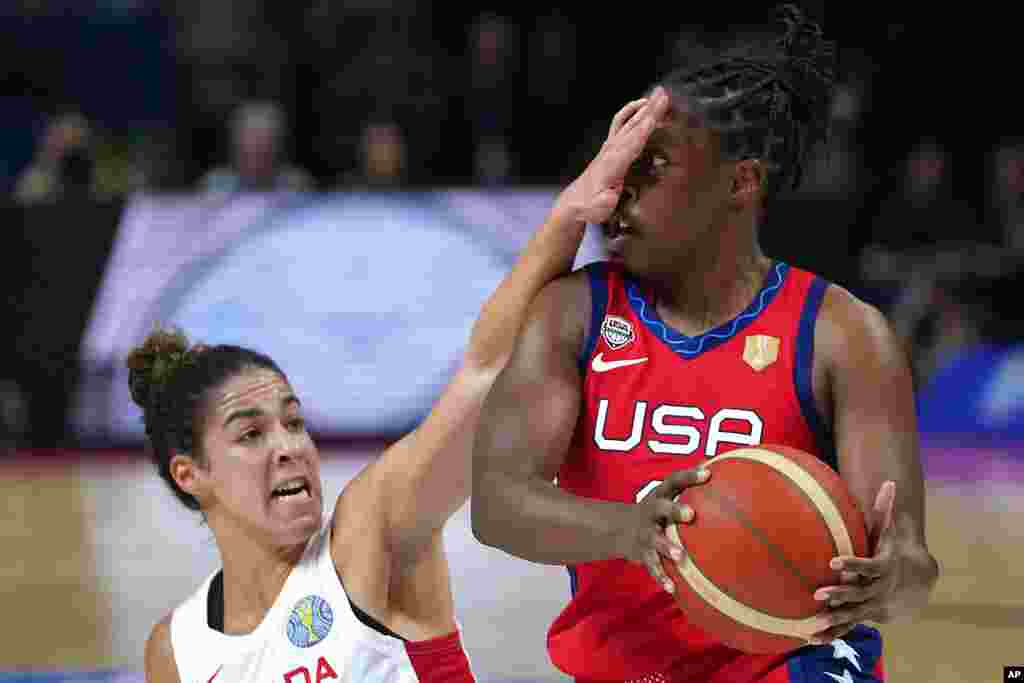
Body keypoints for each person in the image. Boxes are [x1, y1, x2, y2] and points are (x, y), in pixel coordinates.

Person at [472, 5, 939, 683]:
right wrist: (630, 528)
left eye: (650, 169)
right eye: (617, 169)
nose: (619, 191)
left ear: (741, 182)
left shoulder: (841, 333)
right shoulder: (574, 311)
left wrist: (891, 577)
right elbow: (496, 502)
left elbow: (912, 567)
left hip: (793, 662)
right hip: (624, 667)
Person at [138, 171, 592, 680]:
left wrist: (569, 215)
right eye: (251, 434)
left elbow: (487, 374)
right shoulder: (177, 651)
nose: (289, 446)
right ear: (189, 474)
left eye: (294, 422)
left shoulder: (370, 532)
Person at [199, 101, 314, 193]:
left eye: (264, 140)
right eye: (251, 138)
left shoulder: (296, 186)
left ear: (277, 146)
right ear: (236, 145)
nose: (257, 146)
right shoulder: (217, 185)